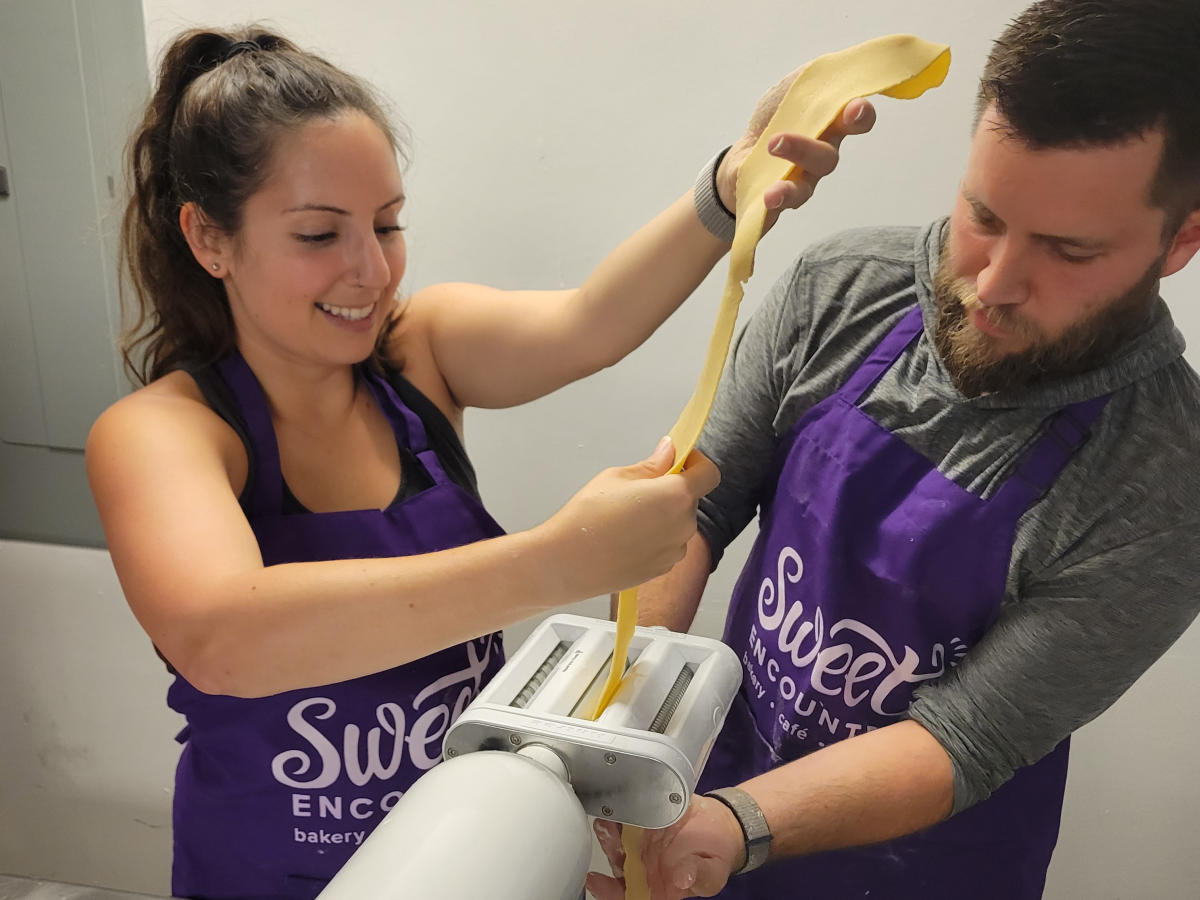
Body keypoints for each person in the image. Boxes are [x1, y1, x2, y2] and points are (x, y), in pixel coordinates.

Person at [84, 25, 873, 900]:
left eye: (387, 224)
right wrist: (561, 559)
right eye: (318, 234)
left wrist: (731, 188)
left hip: (474, 861)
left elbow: (588, 326)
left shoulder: (421, 352)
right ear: (210, 238)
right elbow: (225, 639)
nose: (369, 269)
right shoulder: (161, 433)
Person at [586, 1, 1200, 898]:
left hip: (924, 864)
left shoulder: (1163, 478)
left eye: (1067, 251)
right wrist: (628, 732)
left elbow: (967, 737)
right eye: (983, 215)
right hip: (709, 781)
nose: (992, 284)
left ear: (1181, 240)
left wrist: (733, 827)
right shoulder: (840, 291)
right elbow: (691, 510)